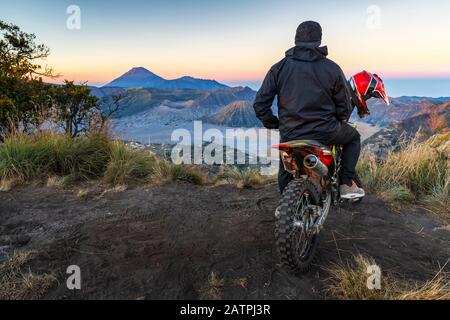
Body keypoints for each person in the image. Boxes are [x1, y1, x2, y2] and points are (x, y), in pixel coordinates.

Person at [253, 21, 365, 198]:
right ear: (319, 40)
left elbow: (260, 104)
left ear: (296, 39)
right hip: (325, 131)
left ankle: (287, 203)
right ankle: (345, 183)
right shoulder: (333, 69)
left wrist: (275, 123)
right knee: (354, 138)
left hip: (291, 132)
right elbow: (344, 106)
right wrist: (338, 119)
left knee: (286, 167)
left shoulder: (279, 68)